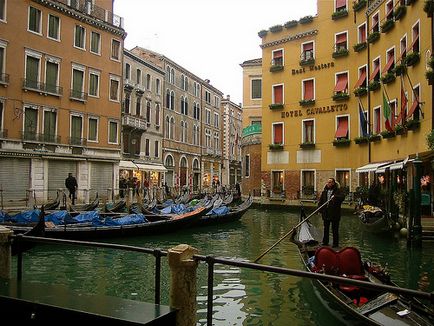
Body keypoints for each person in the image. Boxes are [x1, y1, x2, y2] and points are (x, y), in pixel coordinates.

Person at [318, 178, 345, 248]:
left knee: (335, 229)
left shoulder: (338, 191)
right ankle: (325, 242)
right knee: (326, 228)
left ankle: (335, 244)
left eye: (330, 182)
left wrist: (335, 197)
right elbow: (321, 201)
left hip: (334, 213)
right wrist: (319, 210)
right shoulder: (325, 191)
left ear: (333, 183)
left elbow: (342, 197)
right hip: (326, 213)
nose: (328, 183)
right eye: (327, 182)